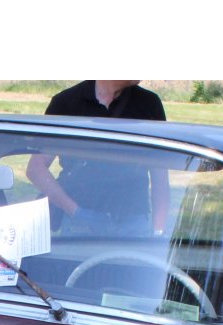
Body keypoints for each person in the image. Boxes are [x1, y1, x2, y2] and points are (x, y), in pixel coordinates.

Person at [26, 80, 168, 234]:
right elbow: (36, 169)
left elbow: (160, 176)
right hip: (80, 226)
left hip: (133, 223)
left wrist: (158, 232)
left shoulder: (149, 104)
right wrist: (76, 212)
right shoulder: (65, 103)